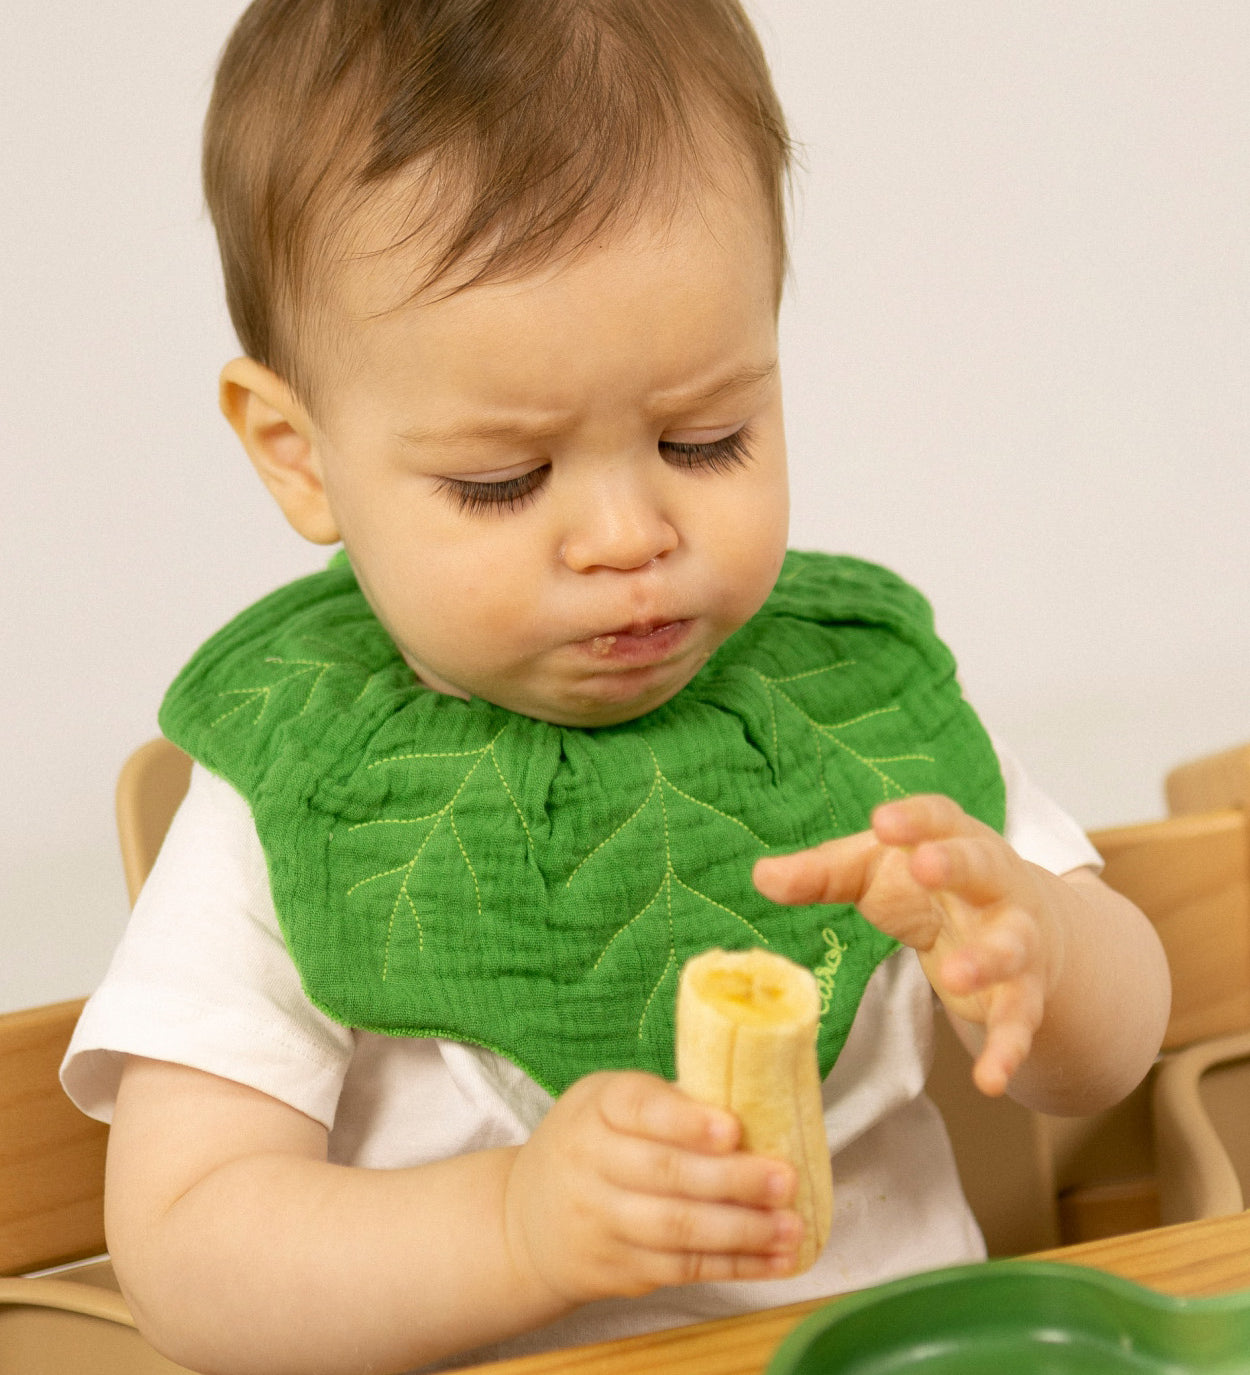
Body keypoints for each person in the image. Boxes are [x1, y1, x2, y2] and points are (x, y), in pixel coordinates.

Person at [62, 2, 1171, 1372]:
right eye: (501, 480)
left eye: (704, 440)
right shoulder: (300, 782)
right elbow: (188, 1254)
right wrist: (513, 1229)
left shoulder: (846, 699)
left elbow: (1100, 1059)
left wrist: (1047, 958)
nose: (624, 539)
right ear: (298, 454)